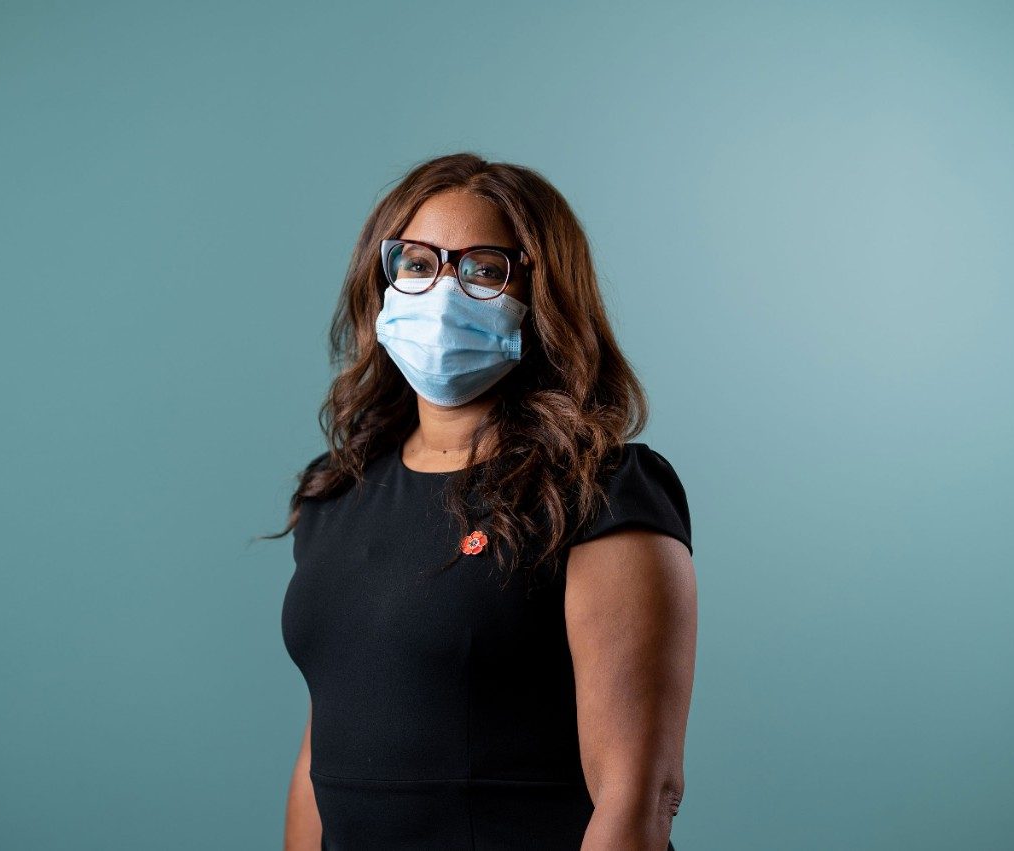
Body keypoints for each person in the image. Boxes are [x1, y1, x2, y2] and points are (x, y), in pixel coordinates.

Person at [270, 152, 697, 850]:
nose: (441, 289)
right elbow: (319, 763)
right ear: (381, 281)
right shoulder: (337, 491)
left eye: (481, 268)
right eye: (416, 262)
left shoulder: (604, 491)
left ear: (539, 290)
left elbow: (638, 795)